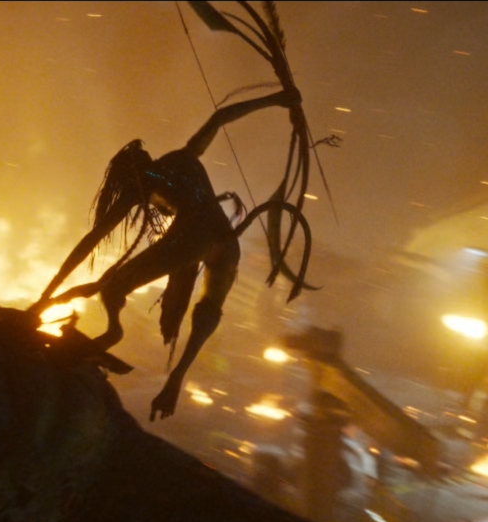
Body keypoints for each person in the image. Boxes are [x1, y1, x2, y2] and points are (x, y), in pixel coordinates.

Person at [33, 85, 299, 421]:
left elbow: (92, 239)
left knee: (114, 289)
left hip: (193, 238)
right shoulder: (182, 156)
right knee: (209, 309)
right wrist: (275, 99)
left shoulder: (142, 183)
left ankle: (113, 333)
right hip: (227, 243)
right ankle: (175, 380)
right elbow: (219, 118)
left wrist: (44, 298)